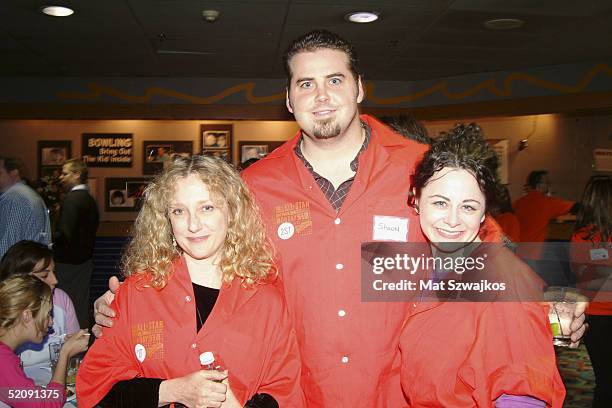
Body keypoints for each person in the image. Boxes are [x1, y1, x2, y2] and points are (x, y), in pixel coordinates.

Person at [93, 30, 586, 406]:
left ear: (359, 88)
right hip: (297, 393)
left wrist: (548, 305)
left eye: (335, 79)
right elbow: (214, 275)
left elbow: (488, 258)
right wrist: (132, 309)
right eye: (305, 83)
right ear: (288, 100)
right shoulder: (254, 187)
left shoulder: (423, 168)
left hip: (403, 391)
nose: (321, 95)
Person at [77, 155, 304, 408]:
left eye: (207, 207)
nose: (193, 225)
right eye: (179, 211)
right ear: (166, 219)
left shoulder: (265, 300)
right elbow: (96, 390)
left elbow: (285, 393)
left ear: (232, 212)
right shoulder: (136, 293)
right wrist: (173, 390)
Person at [401, 124, 565, 407]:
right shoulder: (429, 265)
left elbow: (521, 395)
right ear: (416, 199)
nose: (452, 220)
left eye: (468, 207)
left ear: (483, 213)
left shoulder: (503, 283)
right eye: (440, 203)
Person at [0, 274, 89, 408]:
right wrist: (65, 353)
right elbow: (48, 404)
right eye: (48, 314)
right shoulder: (3, 360)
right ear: (27, 316)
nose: (51, 322)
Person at [0, 241, 80, 386]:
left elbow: (74, 354)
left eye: (54, 272)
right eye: (44, 275)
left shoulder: (61, 298)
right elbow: (45, 402)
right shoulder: (5, 358)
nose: (55, 280)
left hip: (52, 382)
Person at [570, 176, 612, 408]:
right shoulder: (582, 236)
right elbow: (585, 281)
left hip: (598, 314)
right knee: (606, 380)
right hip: (599, 317)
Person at [54, 159, 99, 328]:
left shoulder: (72, 200)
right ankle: (81, 343)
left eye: (65, 173)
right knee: (79, 303)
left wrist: (51, 243)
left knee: (66, 303)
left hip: (68, 263)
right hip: (85, 260)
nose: (61, 177)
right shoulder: (89, 199)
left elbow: (65, 234)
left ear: (77, 174)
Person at [0, 156, 51, 258]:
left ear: (14, 172)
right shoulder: (29, 194)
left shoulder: (14, 198)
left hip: (17, 267)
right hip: (32, 263)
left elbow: (7, 244)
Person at [513, 170, 576, 243]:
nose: (548, 185)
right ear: (539, 185)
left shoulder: (518, 202)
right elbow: (575, 206)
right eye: (547, 182)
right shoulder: (547, 202)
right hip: (536, 251)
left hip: (517, 249)